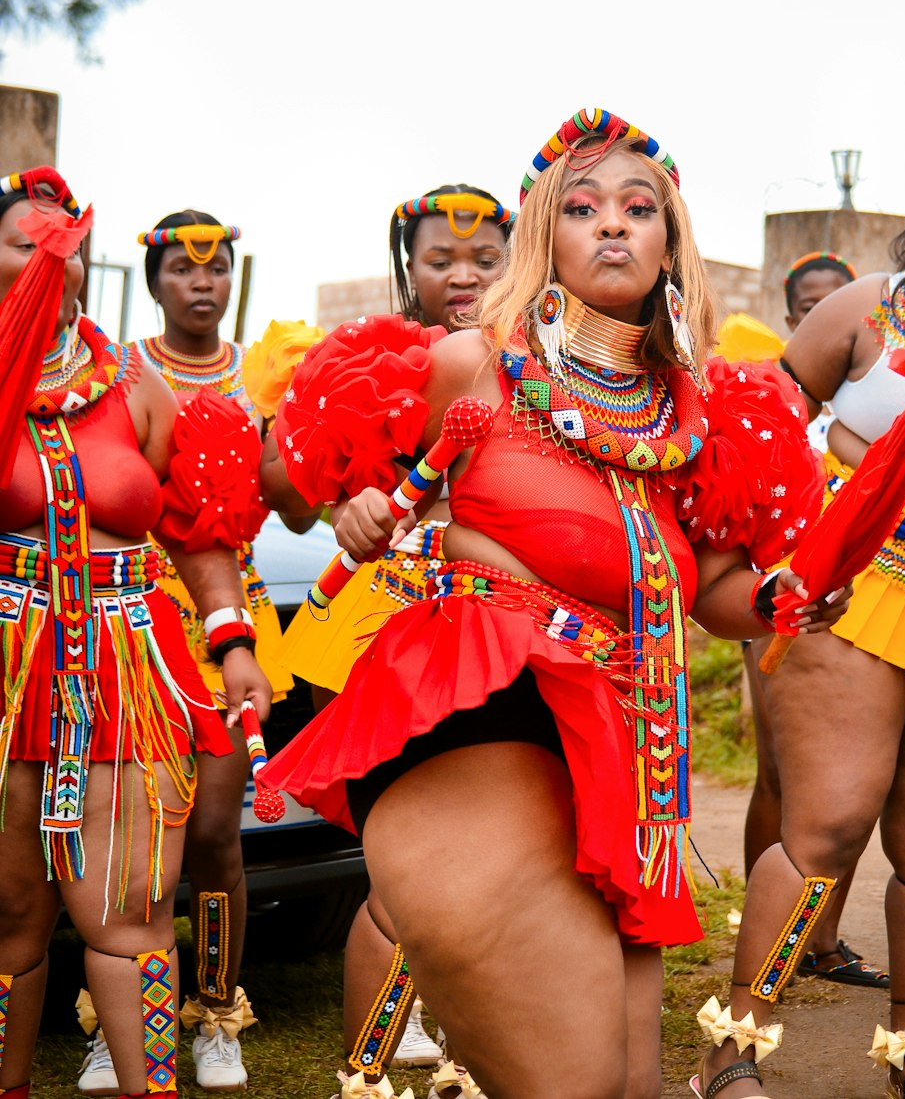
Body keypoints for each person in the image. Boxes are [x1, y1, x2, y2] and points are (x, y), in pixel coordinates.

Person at [259, 110, 846, 1099]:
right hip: (483, 694)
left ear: (669, 240)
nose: (611, 225)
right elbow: (294, 471)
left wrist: (789, 599)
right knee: (567, 1075)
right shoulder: (472, 364)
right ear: (546, 236)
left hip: (621, 739)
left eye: (636, 208)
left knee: (625, 1079)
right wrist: (354, 504)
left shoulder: (698, 417)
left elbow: (711, 592)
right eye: (581, 208)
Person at [709, 147, 905, 1099]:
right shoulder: (869, 307)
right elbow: (764, 420)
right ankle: (733, 1051)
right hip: (857, 580)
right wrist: (779, 541)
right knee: (828, 824)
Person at [0, 168, 270, 1099]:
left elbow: (197, 539)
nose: (47, 258)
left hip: (124, 666)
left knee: (130, 911)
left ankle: (150, 1087)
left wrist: (233, 644)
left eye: (62, 242)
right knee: (9, 917)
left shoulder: (135, 383)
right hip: (6, 668)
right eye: (22, 242)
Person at [261, 185, 513, 1097]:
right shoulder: (368, 356)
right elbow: (284, 484)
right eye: (440, 259)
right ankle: (369, 1071)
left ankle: (462, 1025)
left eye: (483, 259)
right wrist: (345, 503)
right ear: (407, 263)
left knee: (484, 850)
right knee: (404, 857)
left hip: (504, 627)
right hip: (386, 625)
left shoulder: (540, 356)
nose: (462, 276)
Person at [740, 251, 889, 992]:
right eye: (812, 302)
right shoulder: (778, 408)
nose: (829, 309)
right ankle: (766, 934)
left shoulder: (876, 400)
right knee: (779, 771)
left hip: (862, 603)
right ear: (796, 317)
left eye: (842, 296)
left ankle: (821, 939)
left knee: (844, 788)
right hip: (776, 596)